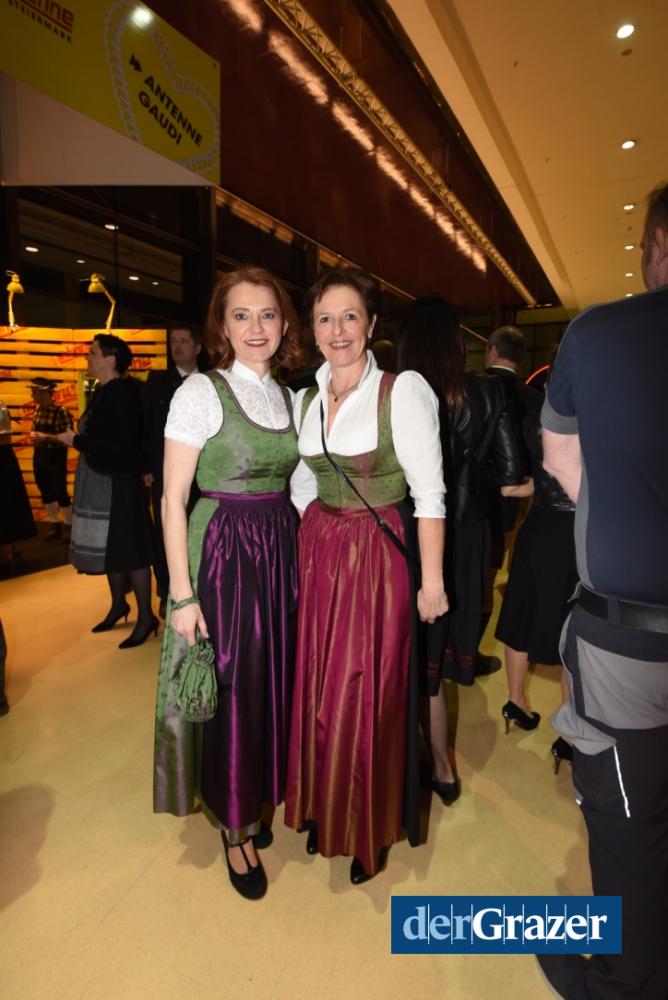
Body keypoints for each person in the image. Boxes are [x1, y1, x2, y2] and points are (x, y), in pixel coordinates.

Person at [536, 183, 668, 999]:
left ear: (657, 246)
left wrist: (621, 506)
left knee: (627, 820)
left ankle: (625, 983)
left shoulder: (599, 333)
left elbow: (560, 458)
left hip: (631, 640)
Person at [285, 268, 448, 884]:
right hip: (322, 553)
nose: (338, 330)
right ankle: (324, 807)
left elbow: (430, 494)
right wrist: (316, 532)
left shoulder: (401, 392)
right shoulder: (306, 397)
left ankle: (365, 829)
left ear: (372, 323)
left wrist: (432, 582)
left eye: (349, 316)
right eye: (325, 318)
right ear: (312, 329)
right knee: (321, 686)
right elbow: (303, 481)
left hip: (377, 561)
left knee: (367, 691)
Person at [153, 267, 302, 901]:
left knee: (271, 680)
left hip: (279, 553)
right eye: (241, 315)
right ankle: (234, 826)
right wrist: (182, 595)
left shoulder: (289, 397)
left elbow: (299, 486)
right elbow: (172, 499)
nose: (255, 327)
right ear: (222, 324)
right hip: (224, 555)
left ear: (285, 324)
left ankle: (257, 793)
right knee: (233, 687)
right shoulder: (201, 392)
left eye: (267, 314)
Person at [396, 295, 521, 802]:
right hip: (466, 535)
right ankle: (444, 766)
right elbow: (511, 475)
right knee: (439, 657)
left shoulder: (393, 392)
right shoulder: (487, 392)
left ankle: (411, 759)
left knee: (406, 654)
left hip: (407, 533)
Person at [55, 335, 157, 649]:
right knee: (112, 548)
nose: (88, 357)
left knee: (132, 549)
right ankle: (119, 605)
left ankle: (146, 617)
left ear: (110, 359)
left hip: (119, 482)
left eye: (93, 353)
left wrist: (75, 440)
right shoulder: (106, 392)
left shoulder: (121, 394)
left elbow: (120, 444)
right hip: (106, 480)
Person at [495, 401, 577, 745]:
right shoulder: (594, 423)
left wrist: (520, 489)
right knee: (574, 630)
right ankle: (569, 737)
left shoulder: (535, 423)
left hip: (538, 526)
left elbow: (542, 480)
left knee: (521, 615)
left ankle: (515, 701)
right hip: (574, 533)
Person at [142, 324, 202, 616]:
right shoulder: (156, 382)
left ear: (198, 347)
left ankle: (201, 587)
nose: (177, 346)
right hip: (164, 472)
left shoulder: (210, 382)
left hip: (204, 475)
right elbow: (143, 425)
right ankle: (167, 592)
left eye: (184, 341)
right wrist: (145, 466)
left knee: (199, 531)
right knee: (165, 530)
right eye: (173, 341)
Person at [29, 377, 74, 541]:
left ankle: (68, 525)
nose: (32, 394)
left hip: (56, 455)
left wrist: (46, 437)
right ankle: (54, 524)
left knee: (59, 490)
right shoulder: (38, 410)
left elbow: (69, 438)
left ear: (44, 392)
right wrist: (33, 435)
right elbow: (34, 430)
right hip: (39, 454)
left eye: (34, 391)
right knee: (45, 489)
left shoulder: (61, 412)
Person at [0, 396, 36, 575]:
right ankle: (11, 550)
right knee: (8, 503)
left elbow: (3, 436)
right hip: (4, 457)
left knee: (4, 506)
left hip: (1, 458)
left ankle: (7, 556)